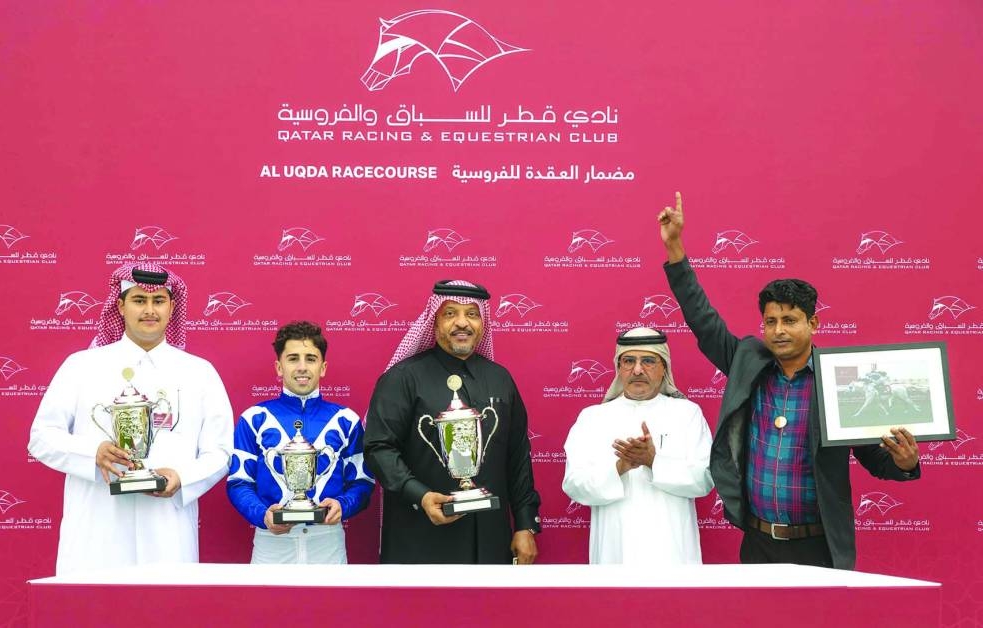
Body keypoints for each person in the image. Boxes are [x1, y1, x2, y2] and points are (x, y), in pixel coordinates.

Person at [657, 192, 921, 569]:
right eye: (770, 321)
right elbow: (703, 319)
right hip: (758, 542)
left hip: (819, 546)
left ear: (812, 323)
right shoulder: (749, 362)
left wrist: (904, 463)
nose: (778, 331)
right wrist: (676, 249)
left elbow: (874, 458)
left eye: (790, 320)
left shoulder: (840, 381)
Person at [28, 262, 234, 575]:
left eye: (158, 301)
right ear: (121, 306)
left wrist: (181, 477)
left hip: (167, 535)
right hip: (96, 534)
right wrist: (92, 453)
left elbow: (219, 452)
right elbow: (41, 437)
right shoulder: (81, 366)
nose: (149, 310)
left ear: (172, 307)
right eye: (139, 300)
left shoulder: (199, 373)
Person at [364, 280, 541, 564]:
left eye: (472, 313)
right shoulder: (402, 378)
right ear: (433, 322)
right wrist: (420, 496)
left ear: (483, 323)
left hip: (489, 540)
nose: (462, 323)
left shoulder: (500, 379)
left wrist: (524, 524)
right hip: (420, 537)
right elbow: (378, 449)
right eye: (450, 314)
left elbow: (517, 457)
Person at [227, 321, 374, 564]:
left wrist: (342, 505)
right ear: (279, 366)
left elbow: (362, 482)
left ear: (323, 367)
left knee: (329, 604)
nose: (302, 367)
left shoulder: (346, 420)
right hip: (271, 542)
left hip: (327, 541)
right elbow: (238, 483)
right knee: (267, 605)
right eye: (293, 358)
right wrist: (263, 516)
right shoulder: (254, 418)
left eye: (311, 358)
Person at [563, 328, 713, 565]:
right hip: (614, 553)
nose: (637, 370)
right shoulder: (592, 418)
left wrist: (653, 461)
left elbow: (704, 480)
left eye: (648, 361)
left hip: (672, 555)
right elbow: (574, 485)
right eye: (629, 361)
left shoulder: (687, 414)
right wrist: (620, 467)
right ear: (618, 368)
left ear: (664, 367)